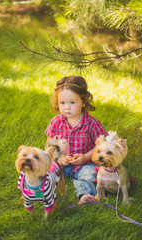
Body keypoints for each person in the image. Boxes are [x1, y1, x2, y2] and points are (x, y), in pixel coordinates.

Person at [45, 76, 108, 205]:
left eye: (72, 103)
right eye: (62, 103)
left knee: (88, 175)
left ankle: (84, 195)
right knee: (47, 169)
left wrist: (86, 156)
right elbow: (49, 143)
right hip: (63, 163)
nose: (67, 107)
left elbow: (103, 144)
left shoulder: (91, 123)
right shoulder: (56, 122)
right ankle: (36, 189)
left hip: (86, 164)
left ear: (84, 102)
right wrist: (58, 158)